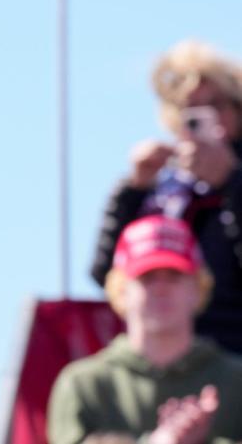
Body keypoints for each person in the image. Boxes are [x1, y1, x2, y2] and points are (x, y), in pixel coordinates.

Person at [90, 40, 242, 353]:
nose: (204, 117)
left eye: (216, 105)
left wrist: (233, 183)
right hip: (167, 361)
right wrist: (133, 191)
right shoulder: (163, 189)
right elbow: (109, 276)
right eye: (190, 109)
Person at [49, 216, 242, 444]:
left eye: (174, 276)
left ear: (197, 287)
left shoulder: (235, 381)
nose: (161, 289)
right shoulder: (84, 385)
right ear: (121, 290)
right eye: (146, 278)